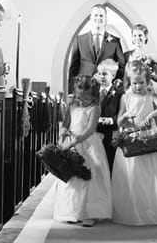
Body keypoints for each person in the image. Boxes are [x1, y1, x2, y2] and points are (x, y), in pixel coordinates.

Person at [112, 60, 157, 226]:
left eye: (142, 83)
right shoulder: (125, 97)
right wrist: (125, 118)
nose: (138, 86)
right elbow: (119, 121)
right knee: (134, 176)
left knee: (155, 175)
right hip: (132, 137)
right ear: (130, 82)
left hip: (150, 135)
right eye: (135, 83)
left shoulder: (150, 95)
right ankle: (135, 211)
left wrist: (150, 116)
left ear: (147, 81)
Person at [53, 75, 112, 227]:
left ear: (94, 97)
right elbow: (65, 124)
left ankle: (89, 213)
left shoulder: (95, 108)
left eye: (85, 99)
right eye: (79, 97)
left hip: (88, 145)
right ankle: (72, 211)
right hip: (71, 143)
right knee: (72, 178)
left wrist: (76, 140)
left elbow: (90, 129)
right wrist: (63, 132)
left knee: (89, 175)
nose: (81, 101)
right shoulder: (72, 106)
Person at [68, 4, 125, 91]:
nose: (98, 18)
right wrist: (71, 90)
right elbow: (73, 68)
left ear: (106, 19)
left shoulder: (115, 41)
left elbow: (121, 66)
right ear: (91, 18)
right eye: (96, 15)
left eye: (101, 15)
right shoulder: (79, 40)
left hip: (106, 89)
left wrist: (115, 86)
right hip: (84, 88)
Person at [94, 59, 124, 171]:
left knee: (109, 161)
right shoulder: (93, 90)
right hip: (95, 131)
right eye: (100, 74)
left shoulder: (119, 93)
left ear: (113, 75)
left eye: (105, 74)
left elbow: (122, 112)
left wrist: (111, 120)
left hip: (111, 133)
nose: (101, 76)